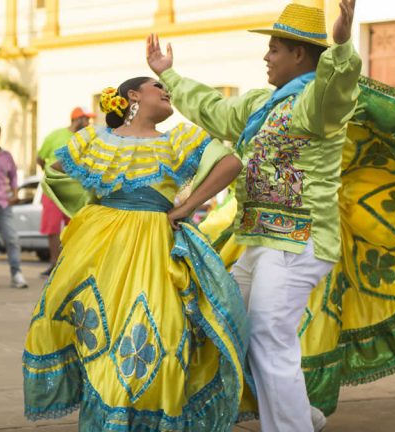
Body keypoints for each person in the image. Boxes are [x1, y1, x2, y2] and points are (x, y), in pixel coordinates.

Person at [147, 1, 360, 431]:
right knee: (228, 325)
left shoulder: (316, 102)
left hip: (298, 242)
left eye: (274, 49)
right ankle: (304, 415)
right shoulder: (262, 103)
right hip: (259, 242)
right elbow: (214, 109)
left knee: (268, 337)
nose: (266, 57)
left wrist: (341, 46)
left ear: (299, 54)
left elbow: (337, 86)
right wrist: (169, 74)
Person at [23, 75, 249, 430]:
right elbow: (56, 174)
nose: (166, 91)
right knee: (103, 334)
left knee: (163, 333)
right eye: (157, 87)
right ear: (133, 96)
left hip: (156, 243)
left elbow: (230, 164)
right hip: (103, 249)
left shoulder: (177, 139)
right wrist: (92, 204)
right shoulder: (95, 139)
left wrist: (186, 206)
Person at [36, 107, 94, 277]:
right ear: (77, 119)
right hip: (53, 190)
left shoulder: (88, 138)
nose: (88, 123)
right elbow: (40, 158)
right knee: (52, 228)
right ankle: (54, 264)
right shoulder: (56, 135)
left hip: (78, 191)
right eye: (86, 119)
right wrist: (52, 175)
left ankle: (72, 263)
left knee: (78, 226)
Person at [0, 122, 27, 288]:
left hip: (4, 203)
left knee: (11, 238)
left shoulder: (6, 156)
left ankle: (16, 273)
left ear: (0, 136)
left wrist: (15, 194)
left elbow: (13, 176)